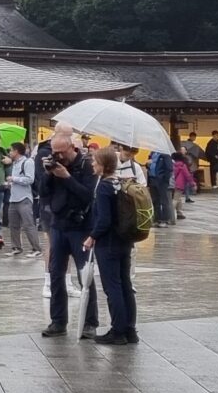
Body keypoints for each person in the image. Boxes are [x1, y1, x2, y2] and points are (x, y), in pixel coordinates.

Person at [36, 133, 98, 338]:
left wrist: (67, 178)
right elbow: (42, 192)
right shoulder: (54, 165)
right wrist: (48, 174)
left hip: (80, 227)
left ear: (72, 148)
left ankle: (90, 322)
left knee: (84, 275)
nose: (57, 156)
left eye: (61, 152)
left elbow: (88, 196)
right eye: (54, 152)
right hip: (58, 225)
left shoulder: (87, 166)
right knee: (56, 273)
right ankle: (58, 321)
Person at [86, 148, 138, 344]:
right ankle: (130, 330)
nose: (92, 164)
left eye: (95, 161)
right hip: (124, 239)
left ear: (103, 165)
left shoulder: (104, 187)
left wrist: (92, 236)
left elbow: (104, 219)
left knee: (112, 287)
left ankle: (117, 331)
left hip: (108, 243)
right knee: (125, 284)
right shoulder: (120, 182)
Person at [147, 149, 176, 226]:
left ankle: (165, 219)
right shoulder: (152, 153)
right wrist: (148, 164)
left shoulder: (165, 155)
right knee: (155, 200)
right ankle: (157, 219)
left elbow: (169, 168)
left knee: (164, 200)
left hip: (161, 181)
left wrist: (164, 179)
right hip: (152, 179)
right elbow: (150, 165)